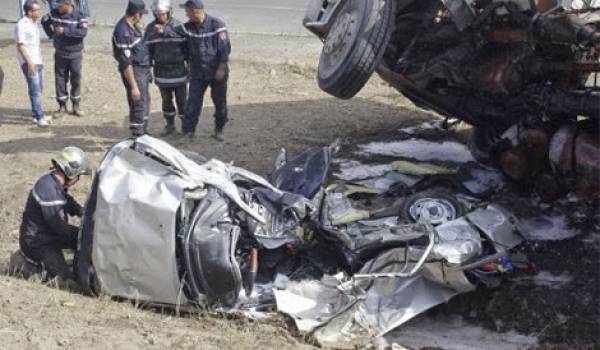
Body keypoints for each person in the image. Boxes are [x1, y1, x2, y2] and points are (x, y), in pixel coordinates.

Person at [19, 146, 92, 283]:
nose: (79, 180)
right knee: (65, 281)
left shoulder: (53, 183)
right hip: (38, 243)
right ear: (71, 172)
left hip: (48, 235)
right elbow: (61, 230)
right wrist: (84, 235)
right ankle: (34, 269)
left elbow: (67, 201)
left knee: (81, 243)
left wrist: (81, 211)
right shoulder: (50, 192)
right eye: (79, 176)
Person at [178, 0, 230, 142]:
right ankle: (188, 132)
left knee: (220, 102)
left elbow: (224, 49)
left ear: (195, 11)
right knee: (193, 102)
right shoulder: (187, 27)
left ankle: (219, 129)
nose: (185, 14)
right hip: (198, 72)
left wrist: (221, 68)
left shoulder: (217, 25)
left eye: (187, 10)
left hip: (216, 71)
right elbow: (173, 34)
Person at [145, 0, 188, 136]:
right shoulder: (150, 29)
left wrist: (165, 31)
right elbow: (147, 52)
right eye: (157, 14)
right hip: (161, 72)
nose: (160, 17)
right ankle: (170, 125)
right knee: (166, 100)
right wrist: (147, 70)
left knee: (182, 100)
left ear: (169, 12)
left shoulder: (178, 25)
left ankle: (186, 127)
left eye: (163, 14)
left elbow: (188, 47)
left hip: (178, 71)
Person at [41, 0, 88, 118]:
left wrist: (65, 31)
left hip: (75, 54)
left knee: (75, 79)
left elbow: (83, 32)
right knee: (60, 79)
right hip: (60, 54)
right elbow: (44, 21)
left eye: (60, 6)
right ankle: (62, 106)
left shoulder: (79, 16)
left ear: (68, 4)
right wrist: (52, 35)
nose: (58, 8)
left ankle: (76, 106)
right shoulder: (54, 13)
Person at [112, 0, 151, 137]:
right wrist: (133, 86)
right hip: (134, 72)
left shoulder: (132, 27)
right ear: (136, 14)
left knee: (144, 101)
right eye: (141, 14)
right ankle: (137, 135)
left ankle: (143, 132)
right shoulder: (123, 31)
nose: (142, 17)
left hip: (142, 71)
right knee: (137, 103)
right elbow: (125, 63)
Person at [15, 0, 51, 127]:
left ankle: (36, 114)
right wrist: (30, 62)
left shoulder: (33, 23)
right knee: (35, 90)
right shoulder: (22, 24)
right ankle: (39, 116)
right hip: (29, 62)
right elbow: (21, 45)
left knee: (38, 88)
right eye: (37, 10)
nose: (39, 12)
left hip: (38, 60)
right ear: (30, 12)